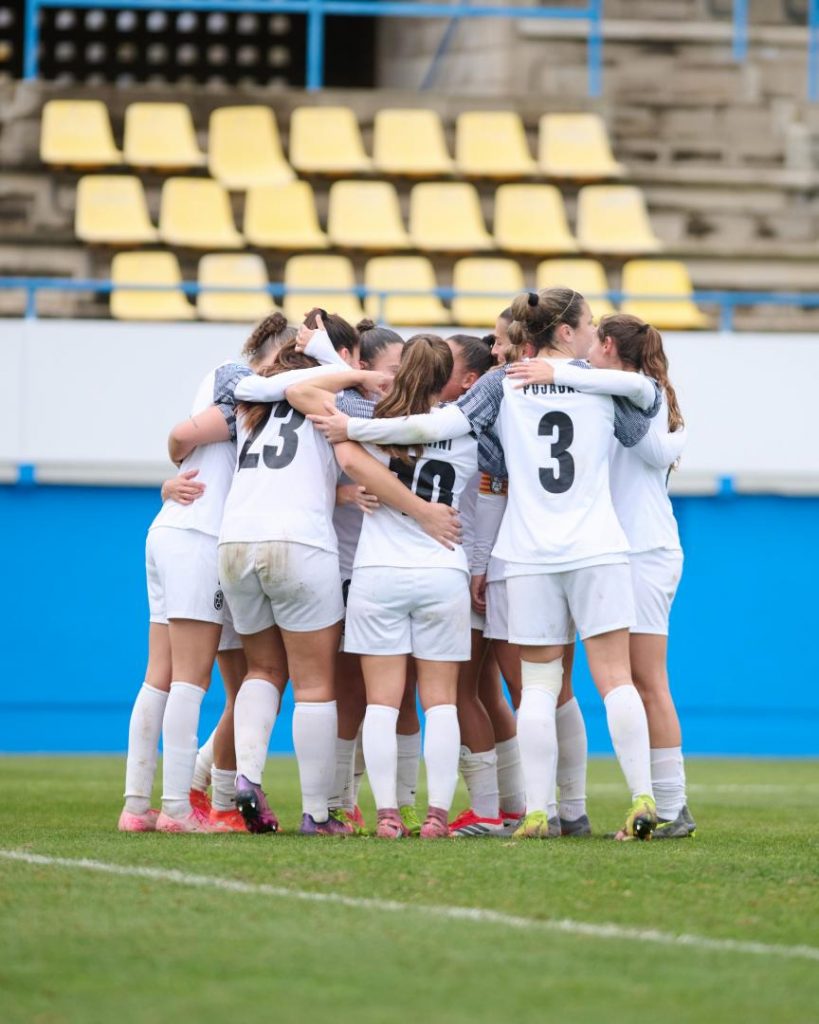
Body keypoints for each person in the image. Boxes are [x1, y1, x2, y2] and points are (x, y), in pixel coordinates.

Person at [310, 287, 662, 840]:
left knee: (537, 687)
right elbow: (645, 414)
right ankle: (643, 798)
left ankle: (538, 812)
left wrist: (355, 429)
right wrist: (577, 377)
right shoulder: (601, 381)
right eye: (590, 324)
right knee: (615, 680)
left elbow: (438, 426)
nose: (595, 333)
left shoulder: (503, 382)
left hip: (526, 554)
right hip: (597, 546)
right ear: (566, 331)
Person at [289, 335, 478, 840]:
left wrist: (357, 376)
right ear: (446, 378)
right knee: (441, 702)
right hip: (442, 568)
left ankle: (388, 814)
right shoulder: (463, 427)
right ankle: (437, 815)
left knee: (381, 703)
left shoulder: (372, 419)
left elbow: (300, 392)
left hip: (379, 572)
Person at [514, 312, 693, 838]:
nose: (586, 344)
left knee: (645, 679)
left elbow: (655, 447)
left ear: (609, 344)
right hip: (605, 550)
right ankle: (581, 806)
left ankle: (672, 807)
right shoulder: (592, 389)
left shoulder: (633, 390)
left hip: (642, 549)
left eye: (595, 335)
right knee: (613, 679)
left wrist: (556, 373)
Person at [118, 312, 293, 834]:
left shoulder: (228, 378)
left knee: (160, 676)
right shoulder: (246, 385)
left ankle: (137, 806)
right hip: (200, 536)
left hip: (174, 528)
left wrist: (173, 466)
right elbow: (186, 435)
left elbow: (184, 443)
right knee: (189, 680)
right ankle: (175, 808)